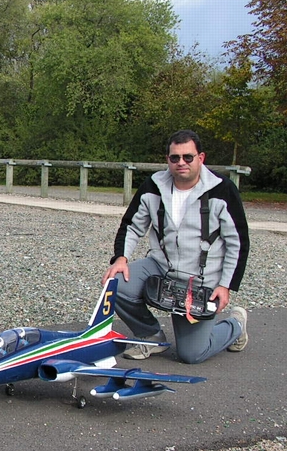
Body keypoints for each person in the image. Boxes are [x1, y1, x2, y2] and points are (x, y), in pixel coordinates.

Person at [101, 130, 250, 364]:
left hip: (201, 280)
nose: (181, 163)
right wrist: (121, 258)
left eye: (188, 157)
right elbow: (131, 226)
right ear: (168, 159)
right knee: (115, 283)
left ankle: (235, 326)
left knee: (191, 354)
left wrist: (225, 285)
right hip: (161, 267)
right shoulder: (153, 186)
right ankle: (149, 335)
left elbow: (238, 243)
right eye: (175, 158)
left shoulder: (223, 190)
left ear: (201, 158)